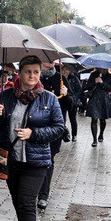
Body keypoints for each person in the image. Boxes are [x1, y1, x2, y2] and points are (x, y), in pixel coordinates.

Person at [0, 55, 65, 221]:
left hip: (36, 162)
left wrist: (34, 133)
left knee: (27, 204)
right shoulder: (5, 96)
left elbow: (59, 128)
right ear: (19, 74)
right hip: (10, 159)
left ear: (39, 74)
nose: (31, 76)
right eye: (27, 71)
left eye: (35, 72)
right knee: (17, 201)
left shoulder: (49, 99)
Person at [37, 63, 71, 209]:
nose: (49, 63)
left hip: (54, 128)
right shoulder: (35, 77)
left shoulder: (61, 78)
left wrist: (66, 94)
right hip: (36, 126)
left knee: (48, 160)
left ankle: (43, 195)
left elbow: (71, 105)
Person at [85, 68, 111, 146]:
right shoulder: (93, 74)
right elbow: (87, 86)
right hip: (94, 98)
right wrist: (95, 82)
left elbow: (110, 88)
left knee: (102, 119)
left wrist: (102, 82)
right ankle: (94, 140)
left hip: (104, 99)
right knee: (94, 118)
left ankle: (101, 134)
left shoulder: (110, 76)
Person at [61, 63, 81, 140]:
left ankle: (74, 135)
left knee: (73, 119)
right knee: (62, 119)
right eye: (63, 69)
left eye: (67, 69)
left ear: (69, 71)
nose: (64, 71)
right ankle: (64, 134)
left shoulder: (74, 78)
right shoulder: (60, 78)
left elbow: (79, 89)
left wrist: (74, 98)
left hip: (72, 101)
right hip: (63, 101)